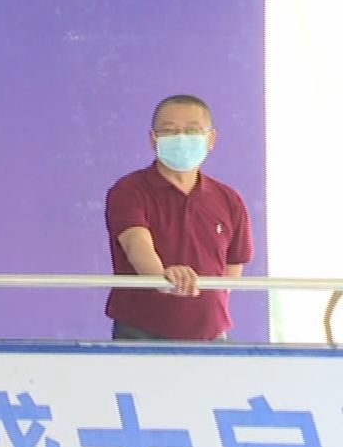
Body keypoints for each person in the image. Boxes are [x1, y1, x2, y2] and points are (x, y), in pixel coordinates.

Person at [105, 94, 252, 341]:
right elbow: (135, 243)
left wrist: (209, 306)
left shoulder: (229, 199)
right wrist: (162, 279)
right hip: (142, 333)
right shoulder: (129, 190)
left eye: (192, 130)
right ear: (153, 139)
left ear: (211, 139)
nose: (181, 138)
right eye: (169, 131)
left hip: (212, 336)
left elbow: (234, 264)